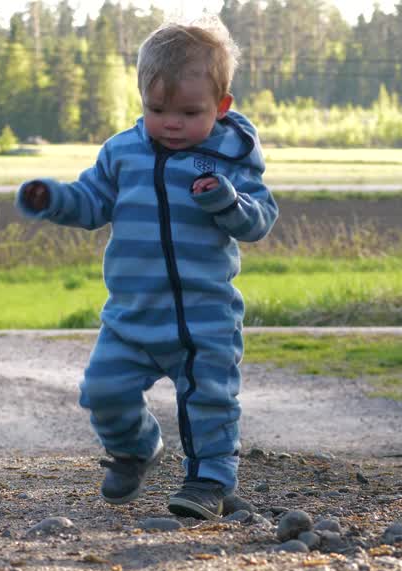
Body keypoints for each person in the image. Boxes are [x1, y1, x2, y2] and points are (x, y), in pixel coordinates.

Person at [15, 18, 278, 520]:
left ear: (222, 107)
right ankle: (136, 449)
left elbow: (259, 219)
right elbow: (91, 202)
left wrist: (228, 201)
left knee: (210, 402)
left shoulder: (231, 156)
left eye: (189, 112)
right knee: (103, 390)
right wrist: (52, 199)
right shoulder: (123, 153)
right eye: (157, 110)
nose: (171, 123)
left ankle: (209, 482)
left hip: (205, 316)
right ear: (141, 99)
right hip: (132, 316)